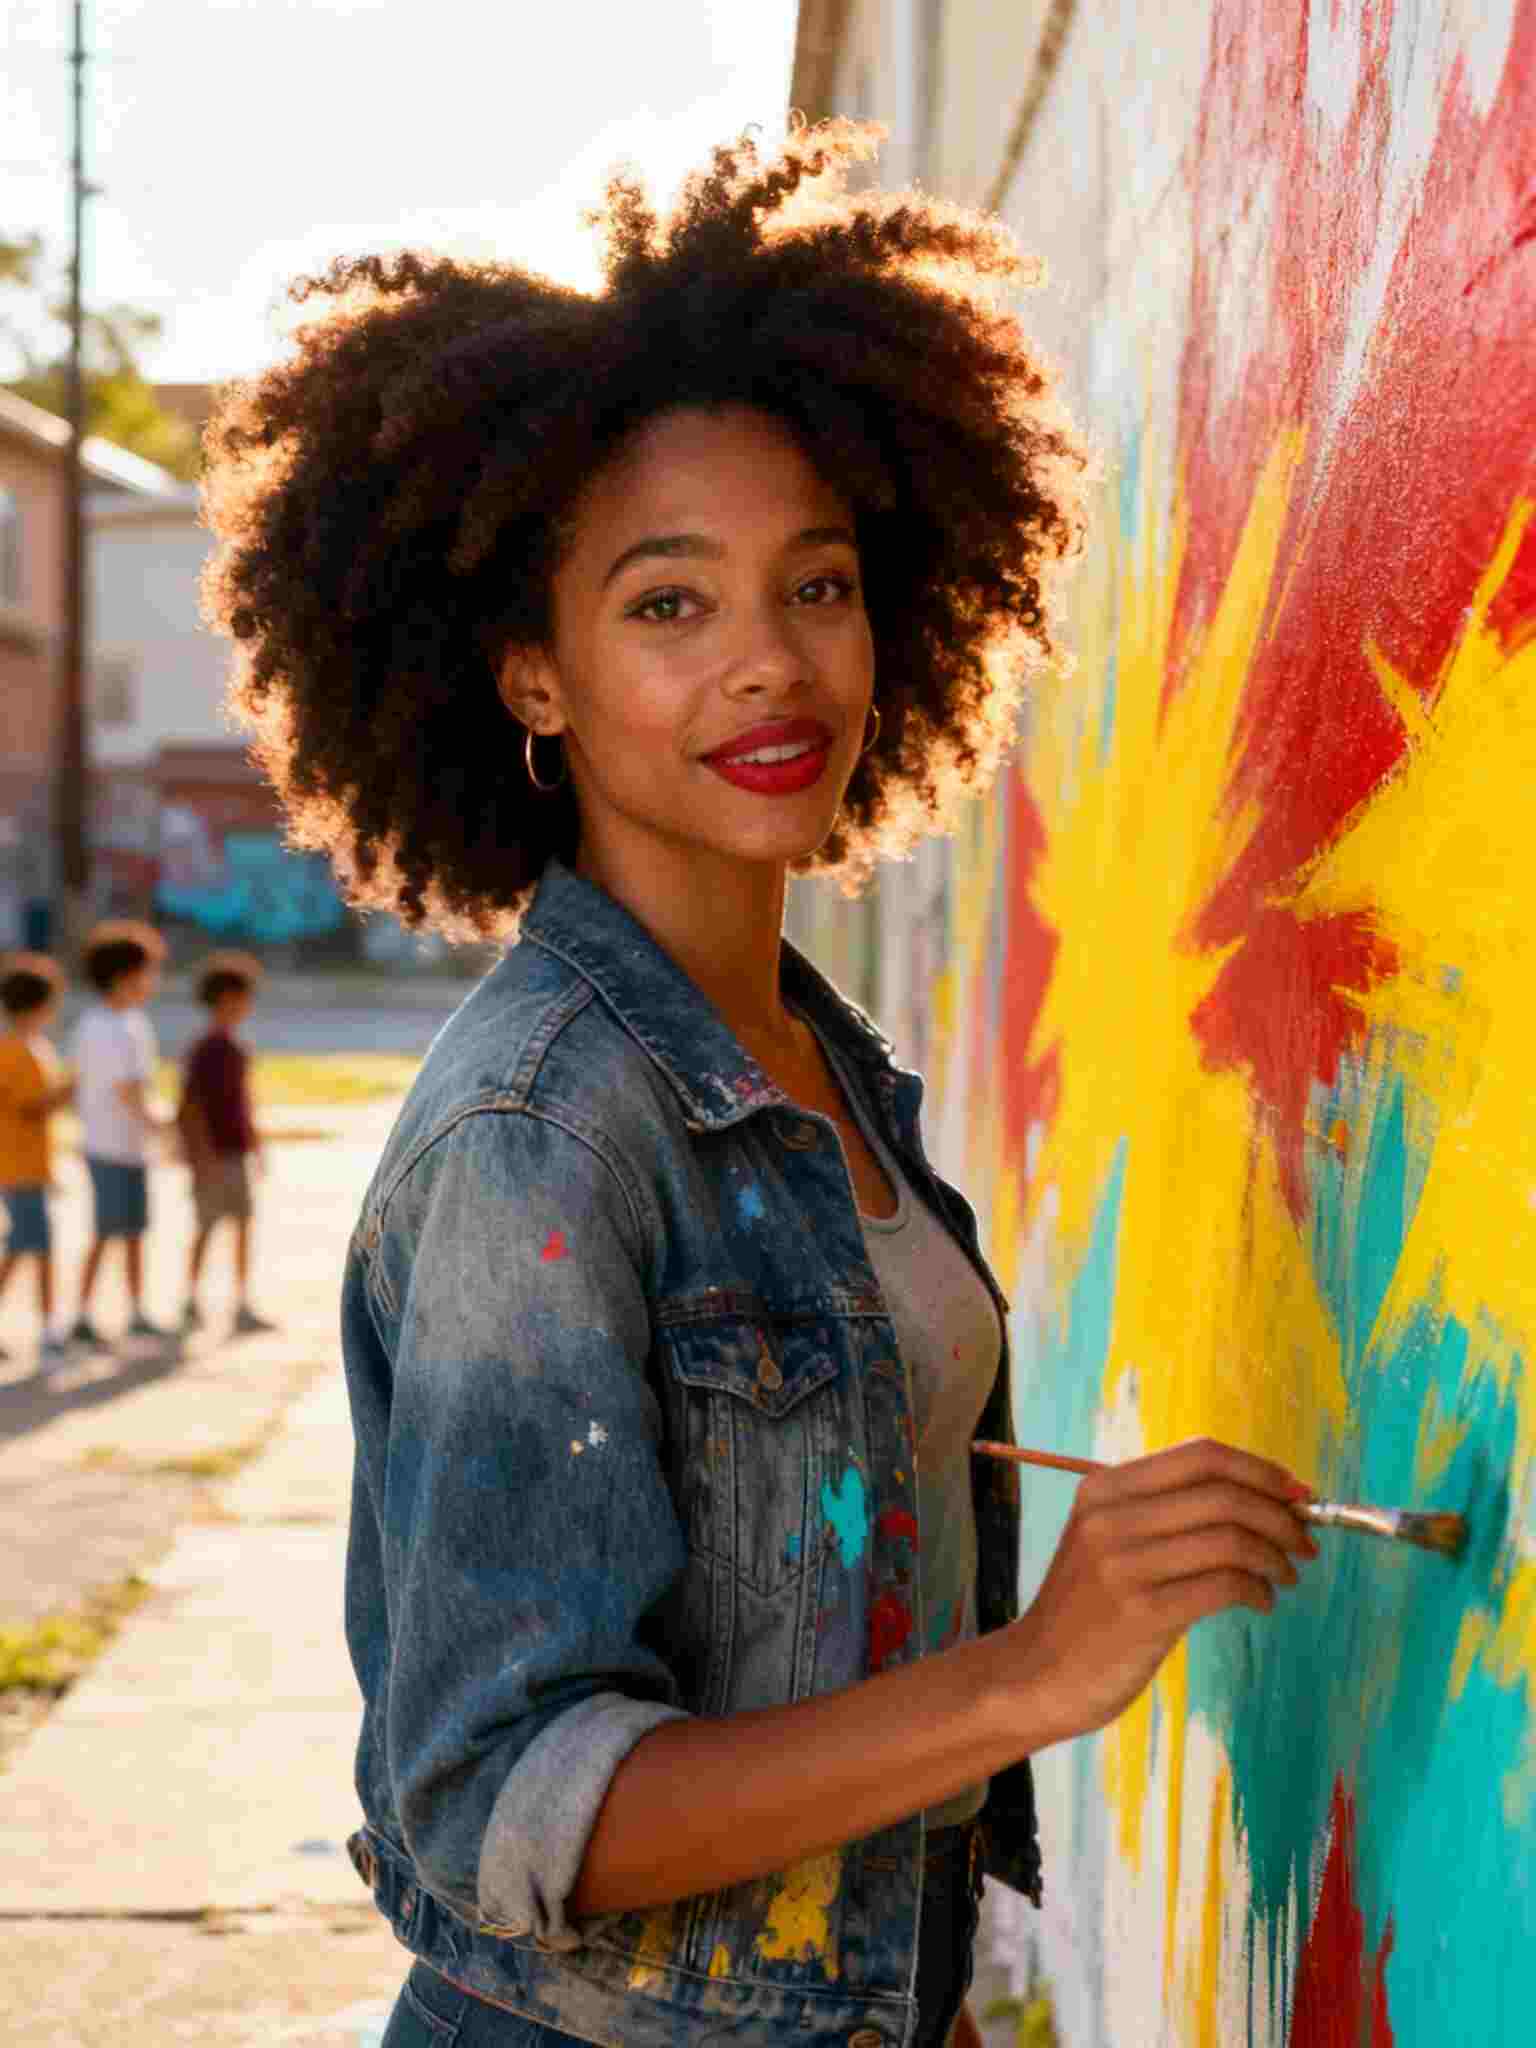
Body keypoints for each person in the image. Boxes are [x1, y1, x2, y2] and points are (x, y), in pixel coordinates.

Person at [200, 122, 1318, 2048]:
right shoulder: (543, 1133)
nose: (770, 666)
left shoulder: (813, 1065)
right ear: (532, 676)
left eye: (816, 584)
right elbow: (505, 1805)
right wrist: (1031, 1671)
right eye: (668, 604)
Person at [70, 920, 171, 1349]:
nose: (153, 980)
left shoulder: (130, 1022)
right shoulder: (106, 1026)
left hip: (129, 1148)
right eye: (148, 971)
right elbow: (129, 1092)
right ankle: (80, 1315)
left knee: (132, 1232)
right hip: (108, 1147)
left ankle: (135, 1311)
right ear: (123, 975)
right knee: (106, 1231)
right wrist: (167, 1126)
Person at [177, 950, 276, 1337]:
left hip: (236, 1153)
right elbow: (190, 1107)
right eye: (241, 998)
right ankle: (191, 1299)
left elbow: (243, 1103)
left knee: (243, 1225)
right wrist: (201, 1158)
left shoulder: (237, 1047)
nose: (246, 1006)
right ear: (223, 999)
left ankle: (241, 1302)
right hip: (213, 1157)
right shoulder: (205, 1049)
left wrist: (257, 1146)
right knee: (206, 1227)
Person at [0, 953, 73, 1368]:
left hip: (32, 1165)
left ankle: (49, 1330)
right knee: (37, 1247)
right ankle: (49, 1334)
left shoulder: (37, 1048)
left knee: (25, 1245)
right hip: (16, 1167)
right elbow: (28, 1109)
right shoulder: (12, 1051)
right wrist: (66, 1093)